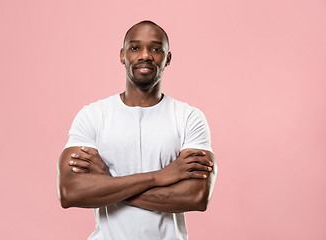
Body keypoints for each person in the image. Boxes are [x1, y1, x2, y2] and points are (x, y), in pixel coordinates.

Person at [57, 20, 217, 240]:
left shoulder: (189, 117)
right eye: (135, 48)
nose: (145, 55)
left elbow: (196, 197)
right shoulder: (93, 115)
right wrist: (159, 177)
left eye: (156, 49)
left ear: (168, 58)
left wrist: (109, 183)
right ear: (122, 55)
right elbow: (70, 192)